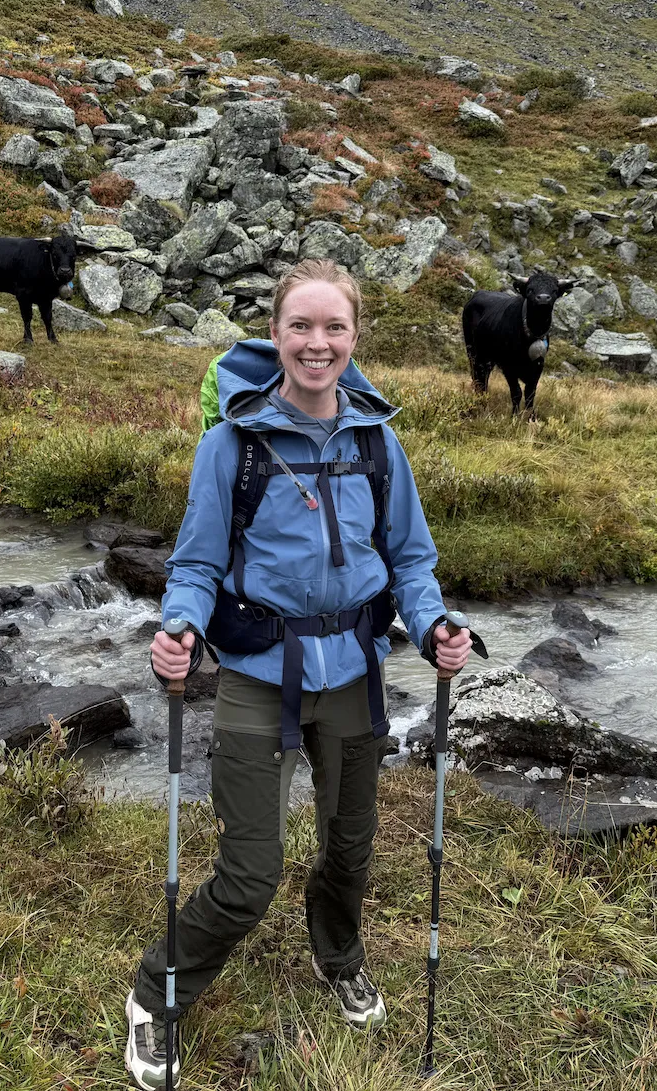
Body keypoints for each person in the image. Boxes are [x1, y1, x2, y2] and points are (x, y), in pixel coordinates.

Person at [123, 259, 474, 1089]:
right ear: (275, 335)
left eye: (335, 328)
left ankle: (338, 954)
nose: (318, 344)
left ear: (356, 337)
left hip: (354, 674)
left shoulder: (379, 443)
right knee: (249, 874)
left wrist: (434, 626)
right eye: (302, 327)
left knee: (349, 850)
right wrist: (178, 629)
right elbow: (196, 565)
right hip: (254, 673)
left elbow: (412, 561)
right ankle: (157, 993)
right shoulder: (231, 445)